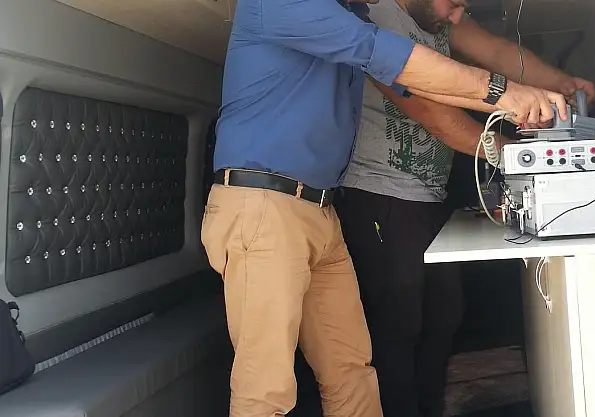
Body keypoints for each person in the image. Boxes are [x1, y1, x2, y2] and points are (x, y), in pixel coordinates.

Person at [200, 0, 569, 415]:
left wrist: (511, 103)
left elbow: (415, 83)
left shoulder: (348, 16)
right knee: (266, 389)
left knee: (352, 371)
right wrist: (503, 92)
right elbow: (389, 56)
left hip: (321, 209)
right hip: (264, 205)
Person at [333, 1, 595, 417]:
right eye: (454, 3)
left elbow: (498, 52)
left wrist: (563, 83)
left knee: (443, 318)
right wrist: (517, 154)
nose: (458, 15)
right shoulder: (375, 19)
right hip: (378, 194)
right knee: (396, 327)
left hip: (429, 197)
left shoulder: (437, 14)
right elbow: (432, 113)